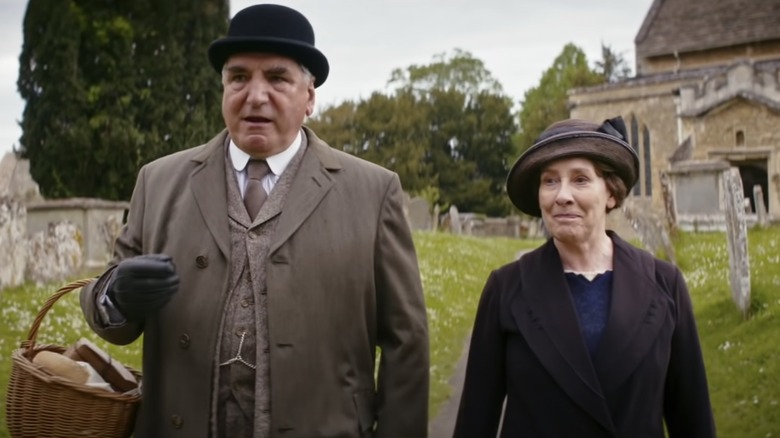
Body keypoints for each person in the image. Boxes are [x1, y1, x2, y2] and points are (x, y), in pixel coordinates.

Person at [80, 4, 429, 437]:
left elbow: (405, 342)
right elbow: (107, 307)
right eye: (239, 77)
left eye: (278, 78)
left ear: (311, 96)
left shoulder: (374, 192)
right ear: (223, 88)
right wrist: (116, 296)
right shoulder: (159, 181)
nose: (256, 95)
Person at [453, 117, 716, 437]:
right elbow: (475, 421)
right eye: (550, 181)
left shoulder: (665, 285)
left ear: (611, 193)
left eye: (580, 179)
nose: (562, 195)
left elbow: (693, 420)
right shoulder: (506, 289)